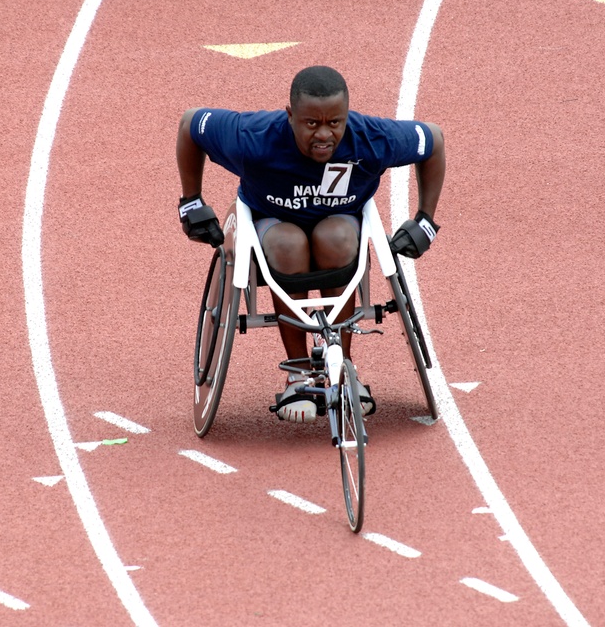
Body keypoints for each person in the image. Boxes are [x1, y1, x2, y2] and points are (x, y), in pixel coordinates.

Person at [176, 65, 445, 423]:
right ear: (290, 116)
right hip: (273, 222)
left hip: (339, 223)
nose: (324, 134)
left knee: (336, 238)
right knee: (290, 244)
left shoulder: (371, 138)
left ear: (347, 116)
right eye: (311, 123)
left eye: (335, 123)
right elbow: (191, 124)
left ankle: (342, 370)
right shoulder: (252, 137)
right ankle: (299, 373)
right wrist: (191, 202)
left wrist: (425, 220)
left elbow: (434, 140)